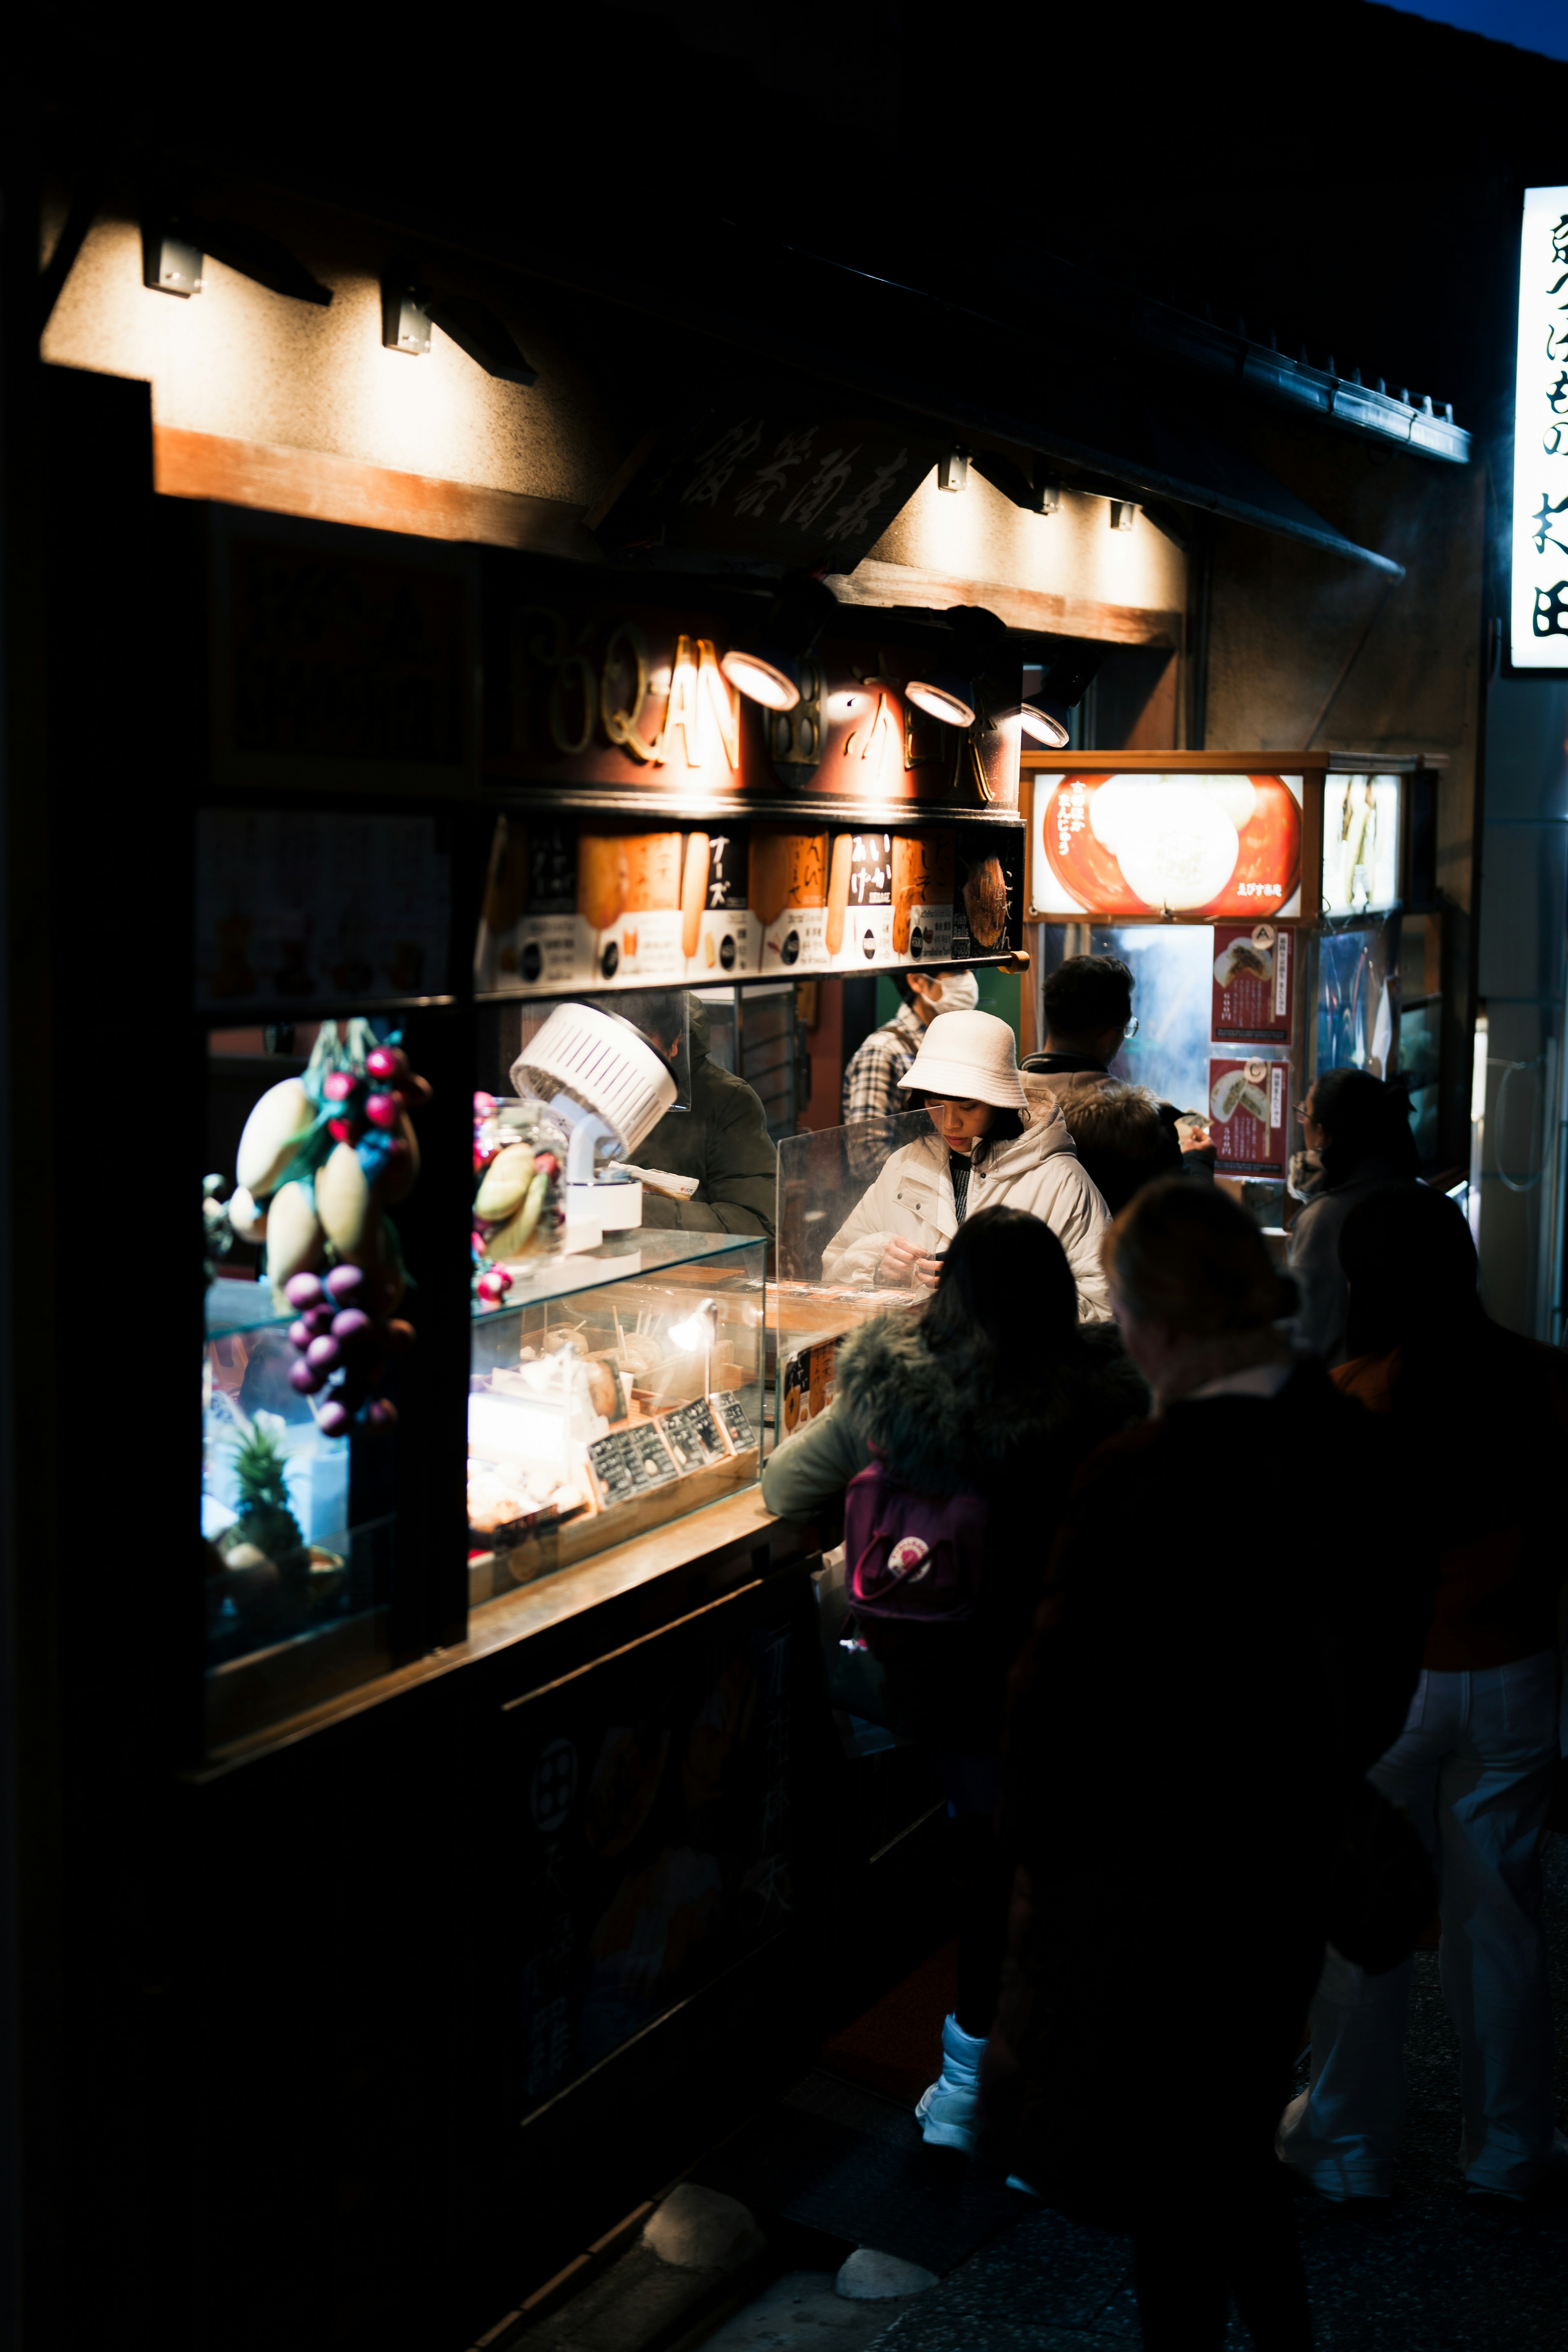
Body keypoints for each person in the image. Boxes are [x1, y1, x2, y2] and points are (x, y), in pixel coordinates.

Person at [989, 1181, 1424, 2352]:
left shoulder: (1139, 1479)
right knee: (1226, 2146)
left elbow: (1050, 1732)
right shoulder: (1357, 1448)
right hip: (1282, 1878)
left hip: (1155, 1897)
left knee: (1181, 2186)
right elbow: (1385, 1665)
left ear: (1163, 1325)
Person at [761, 1207, 1146, 2150]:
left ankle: (971, 2091)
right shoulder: (1106, 1395)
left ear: (949, 1291)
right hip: (1073, 1680)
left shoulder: (896, 1390)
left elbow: (782, 1488)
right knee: (1040, 1875)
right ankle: (1050, 2081)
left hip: (940, 1686)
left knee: (988, 1868)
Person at [1276, 1183, 1568, 2205]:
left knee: (1363, 1914)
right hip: (1516, 1677)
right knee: (1501, 1917)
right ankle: (1508, 2144)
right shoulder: (1543, 1380)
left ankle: (1348, 2143)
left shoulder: (1349, 1393)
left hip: (1383, 1689)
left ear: (1361, 1277)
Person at [819, 1009, 1114, 1319]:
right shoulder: (904, 1164)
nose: (951, 1123)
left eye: (968, 1106)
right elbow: (832, 1271)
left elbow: (1103, 1307)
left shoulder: (1061, 1180)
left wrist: (1001, 1295)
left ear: (1001, 1103)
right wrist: (879, 1266)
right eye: (935, 1105)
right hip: (914, 1360)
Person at [1023, 951, 1214, 1188]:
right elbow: (1184, 1214)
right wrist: (1198, 1160)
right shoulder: (1142, 1126)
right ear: (1108, 1038)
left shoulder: (1003, 1102)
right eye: (1127, 1029)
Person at [618, 991, 778, 1241]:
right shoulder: (588, 1081)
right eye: (618, 1054)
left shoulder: (729, 1101)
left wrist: (630, 1207)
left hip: (691, 1274)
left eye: (646, 1055)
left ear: (675, 1043)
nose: (628, 1071)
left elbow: (755, 1224)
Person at [1287, 1067, 1419, 1364]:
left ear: (1320, 1132)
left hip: (1348, 1396)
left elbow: (1306, 1336)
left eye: (1303, 1113)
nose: (1301, 1122)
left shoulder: (1325, 1219)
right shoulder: (1423, 1197)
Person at [841, 966, 979, 1128]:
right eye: (958, 972)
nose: (969, 979)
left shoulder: (959, 1041)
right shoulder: (884, 1051)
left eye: (970, 971)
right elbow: (868, 1147)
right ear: (917, 980)